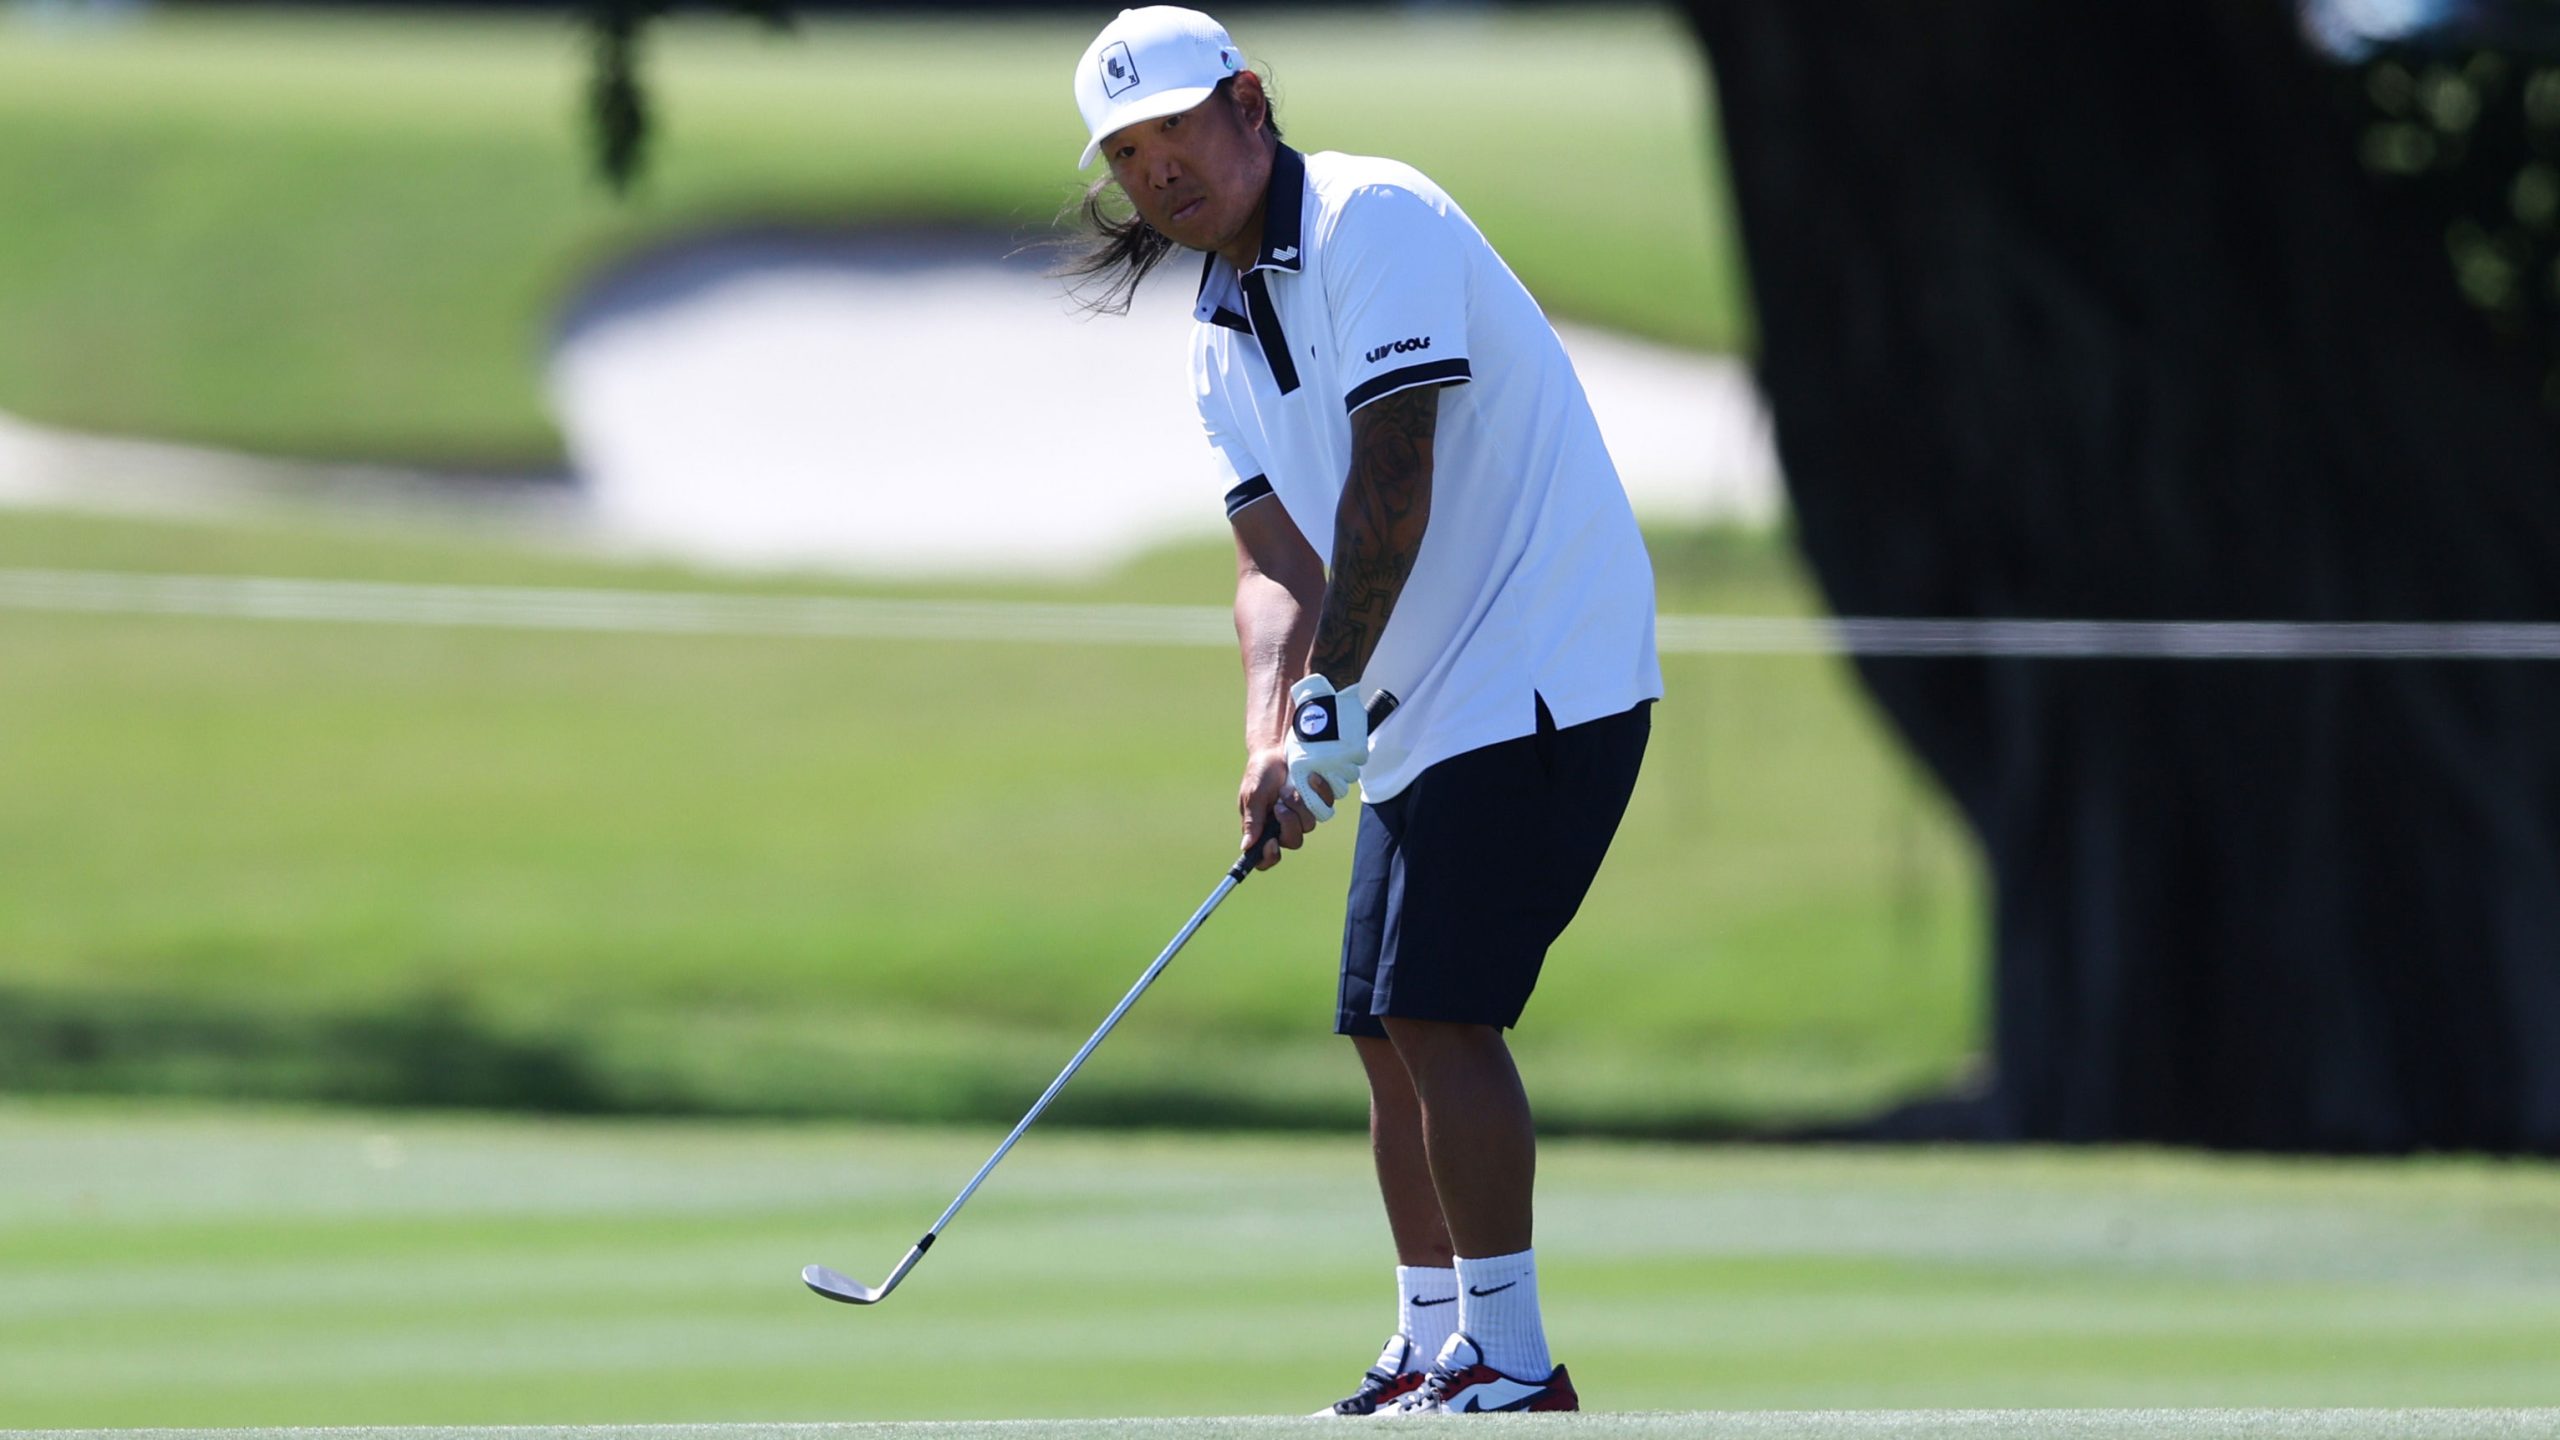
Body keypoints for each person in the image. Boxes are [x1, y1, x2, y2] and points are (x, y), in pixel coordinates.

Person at [1065, 6, 1661, 1417]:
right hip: (1421, 697)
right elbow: (1275, 559)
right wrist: (1274, 730)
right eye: (1127, 155)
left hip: (1542, 665)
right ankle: (1430, 1342)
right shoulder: (1216, 330)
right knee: (1382, 1028)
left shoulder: (1374, 221)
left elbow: (1396, 476)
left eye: (1174, 135)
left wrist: (1327, 715)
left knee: (1443, 1013)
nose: (1157, 174)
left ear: (1251, 105)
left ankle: (1514, 1359)